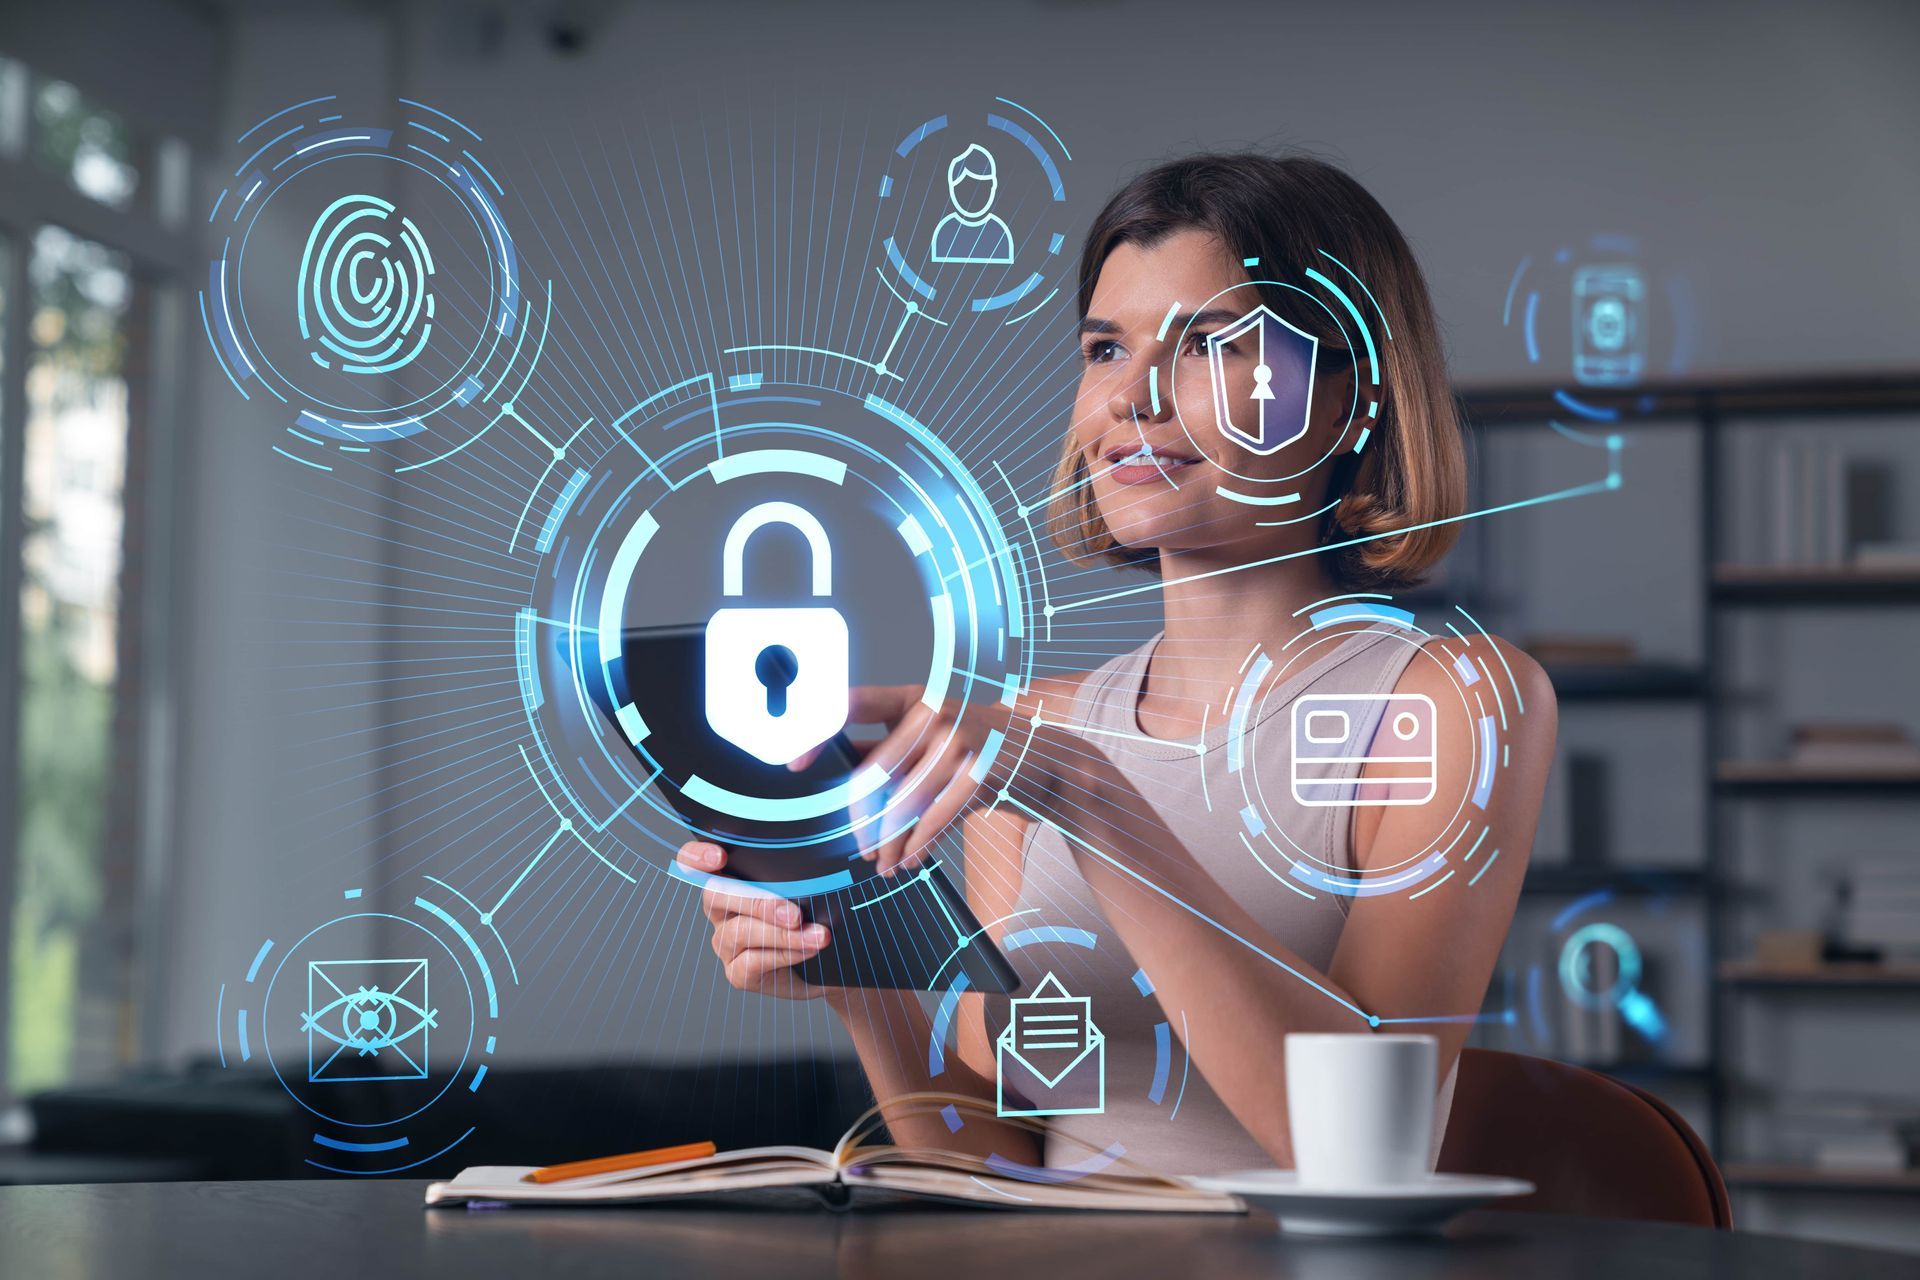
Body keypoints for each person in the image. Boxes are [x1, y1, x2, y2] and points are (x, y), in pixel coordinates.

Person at [679, 153, 1556, 1175]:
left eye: (1210, 343)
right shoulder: (1026, 728)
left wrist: (1087, 792)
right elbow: (987, 1160)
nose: (1131, 397)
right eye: (1106, 347)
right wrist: (857, 971)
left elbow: (1366, 1153)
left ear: (1345, 398)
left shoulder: (1454, 703)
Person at [930, 142, 1016, 264]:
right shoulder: (945, 232)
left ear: (993, 185)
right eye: (965, 187)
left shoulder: (999, 233)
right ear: (952, 189)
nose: (974, 195)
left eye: (981, 186)